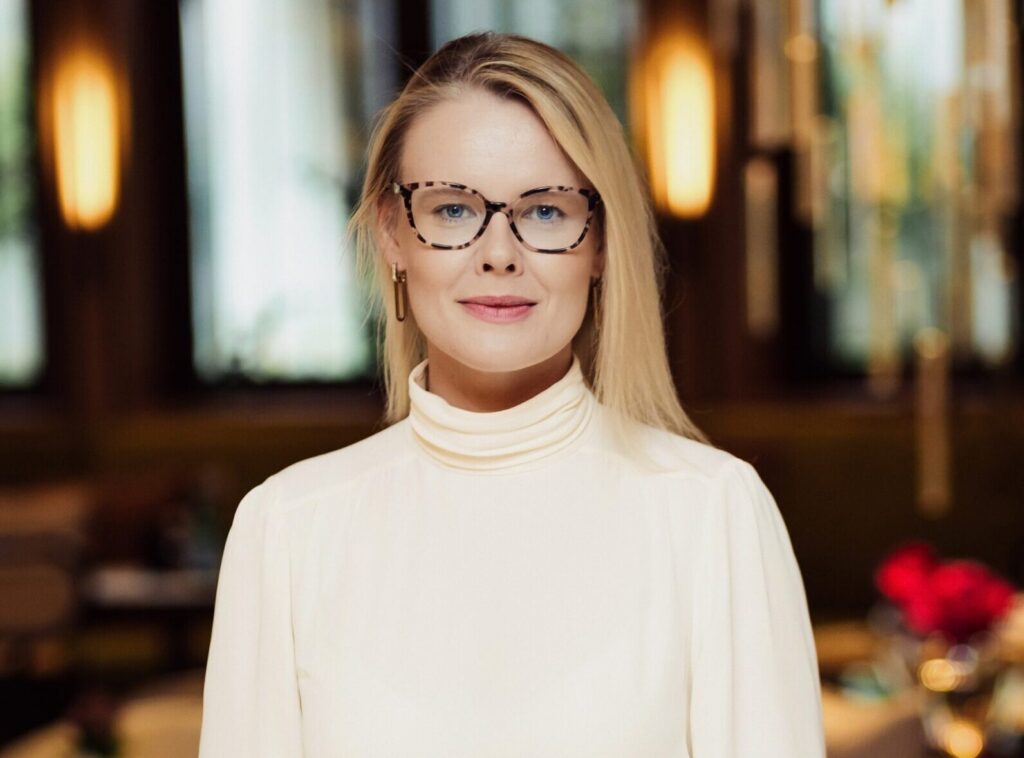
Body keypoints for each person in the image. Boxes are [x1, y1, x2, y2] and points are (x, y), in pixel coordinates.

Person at [198, 31, 826, 758]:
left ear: (601, 244)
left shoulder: (713, 513)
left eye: (546, 211)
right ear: (393, 235)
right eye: (452, 210)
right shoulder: (286, 529)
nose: (499, 253)